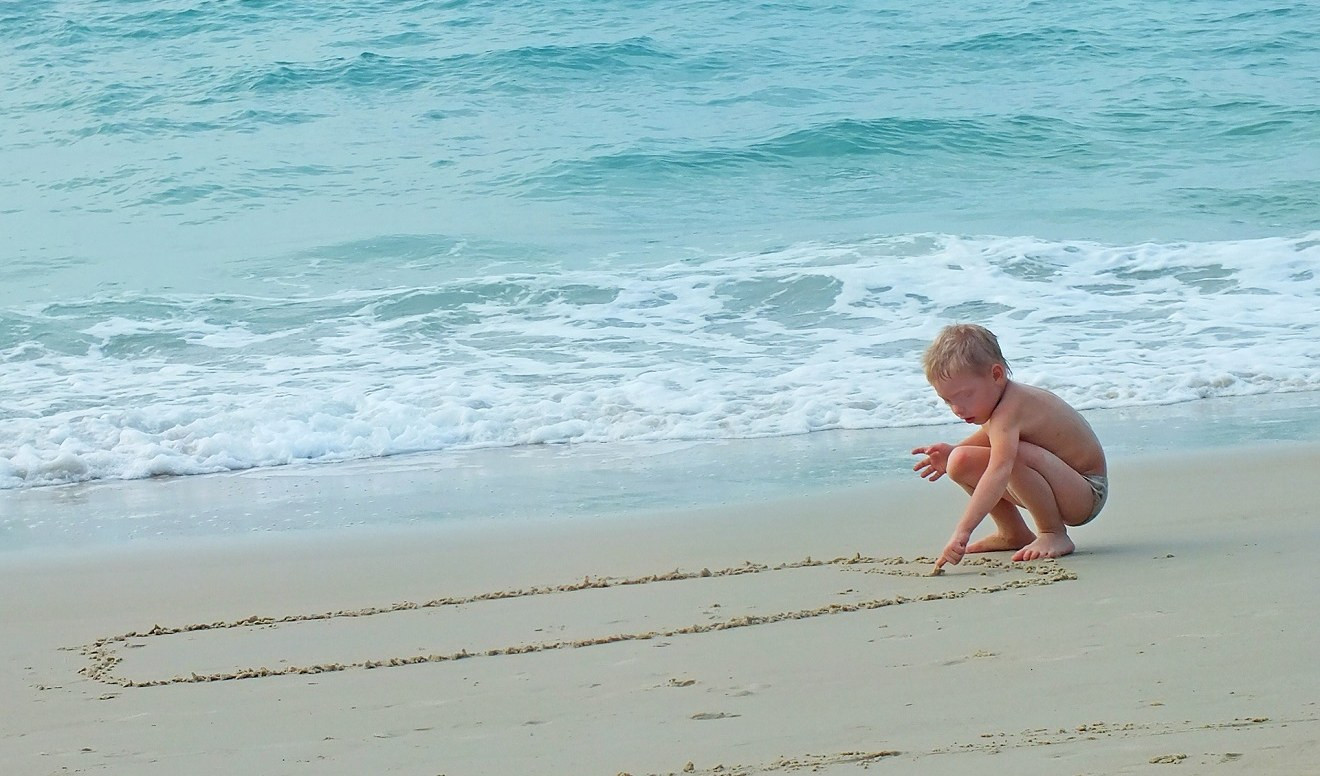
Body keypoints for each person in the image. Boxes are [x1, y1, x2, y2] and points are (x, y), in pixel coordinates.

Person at [911, 324, 1107, 570]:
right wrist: (951, 453)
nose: (958, 409)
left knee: (1010, 457)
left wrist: (963, 532)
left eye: (966, 395)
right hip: (1061, 486)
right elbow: (987, 438)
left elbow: (999, 470)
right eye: (948, 401)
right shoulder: (998, 406)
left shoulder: (1011, 409)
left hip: (1086, 492)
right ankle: (1012, 532)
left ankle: (1053, 532)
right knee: (959, 461)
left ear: (996, 374)